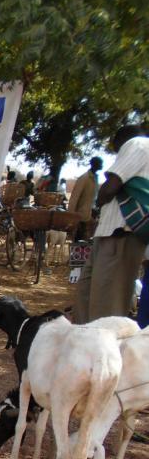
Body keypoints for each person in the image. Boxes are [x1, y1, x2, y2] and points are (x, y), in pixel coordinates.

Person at [72, 125, 149, 323]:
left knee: (106, 310)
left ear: (119, 140)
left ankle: (101, 351)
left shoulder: (137, 143)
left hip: (120, 235)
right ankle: (84, 348)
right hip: (109, 235)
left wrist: (100, 198)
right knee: (87, 297)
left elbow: (109, 189)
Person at [68, 156, 102, 241]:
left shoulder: (95, 178)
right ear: (94, 164)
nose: (102, 165)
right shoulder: (84, 178)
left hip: (90, 215)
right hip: (81, 217)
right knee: (79, 243)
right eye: (100, 163)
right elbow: (74, 198)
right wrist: (71, 218)